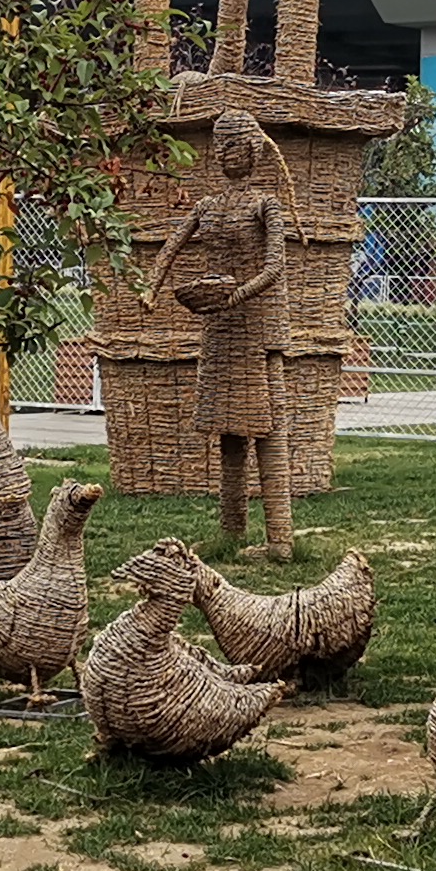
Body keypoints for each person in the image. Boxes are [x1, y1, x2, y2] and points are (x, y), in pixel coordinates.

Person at [143, 109, 294, 554]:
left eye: (237, 147)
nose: (229, 155)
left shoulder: (266, 203)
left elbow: (276, 265)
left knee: (269, 429)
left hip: (261, 325)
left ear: (252, 152)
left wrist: (238, 294)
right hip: (222, 329)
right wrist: (152, 287)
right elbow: (172, 245)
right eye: (222, 148)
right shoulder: (206, 206)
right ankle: (232, 535)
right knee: (229, 428)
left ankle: (281, 540)